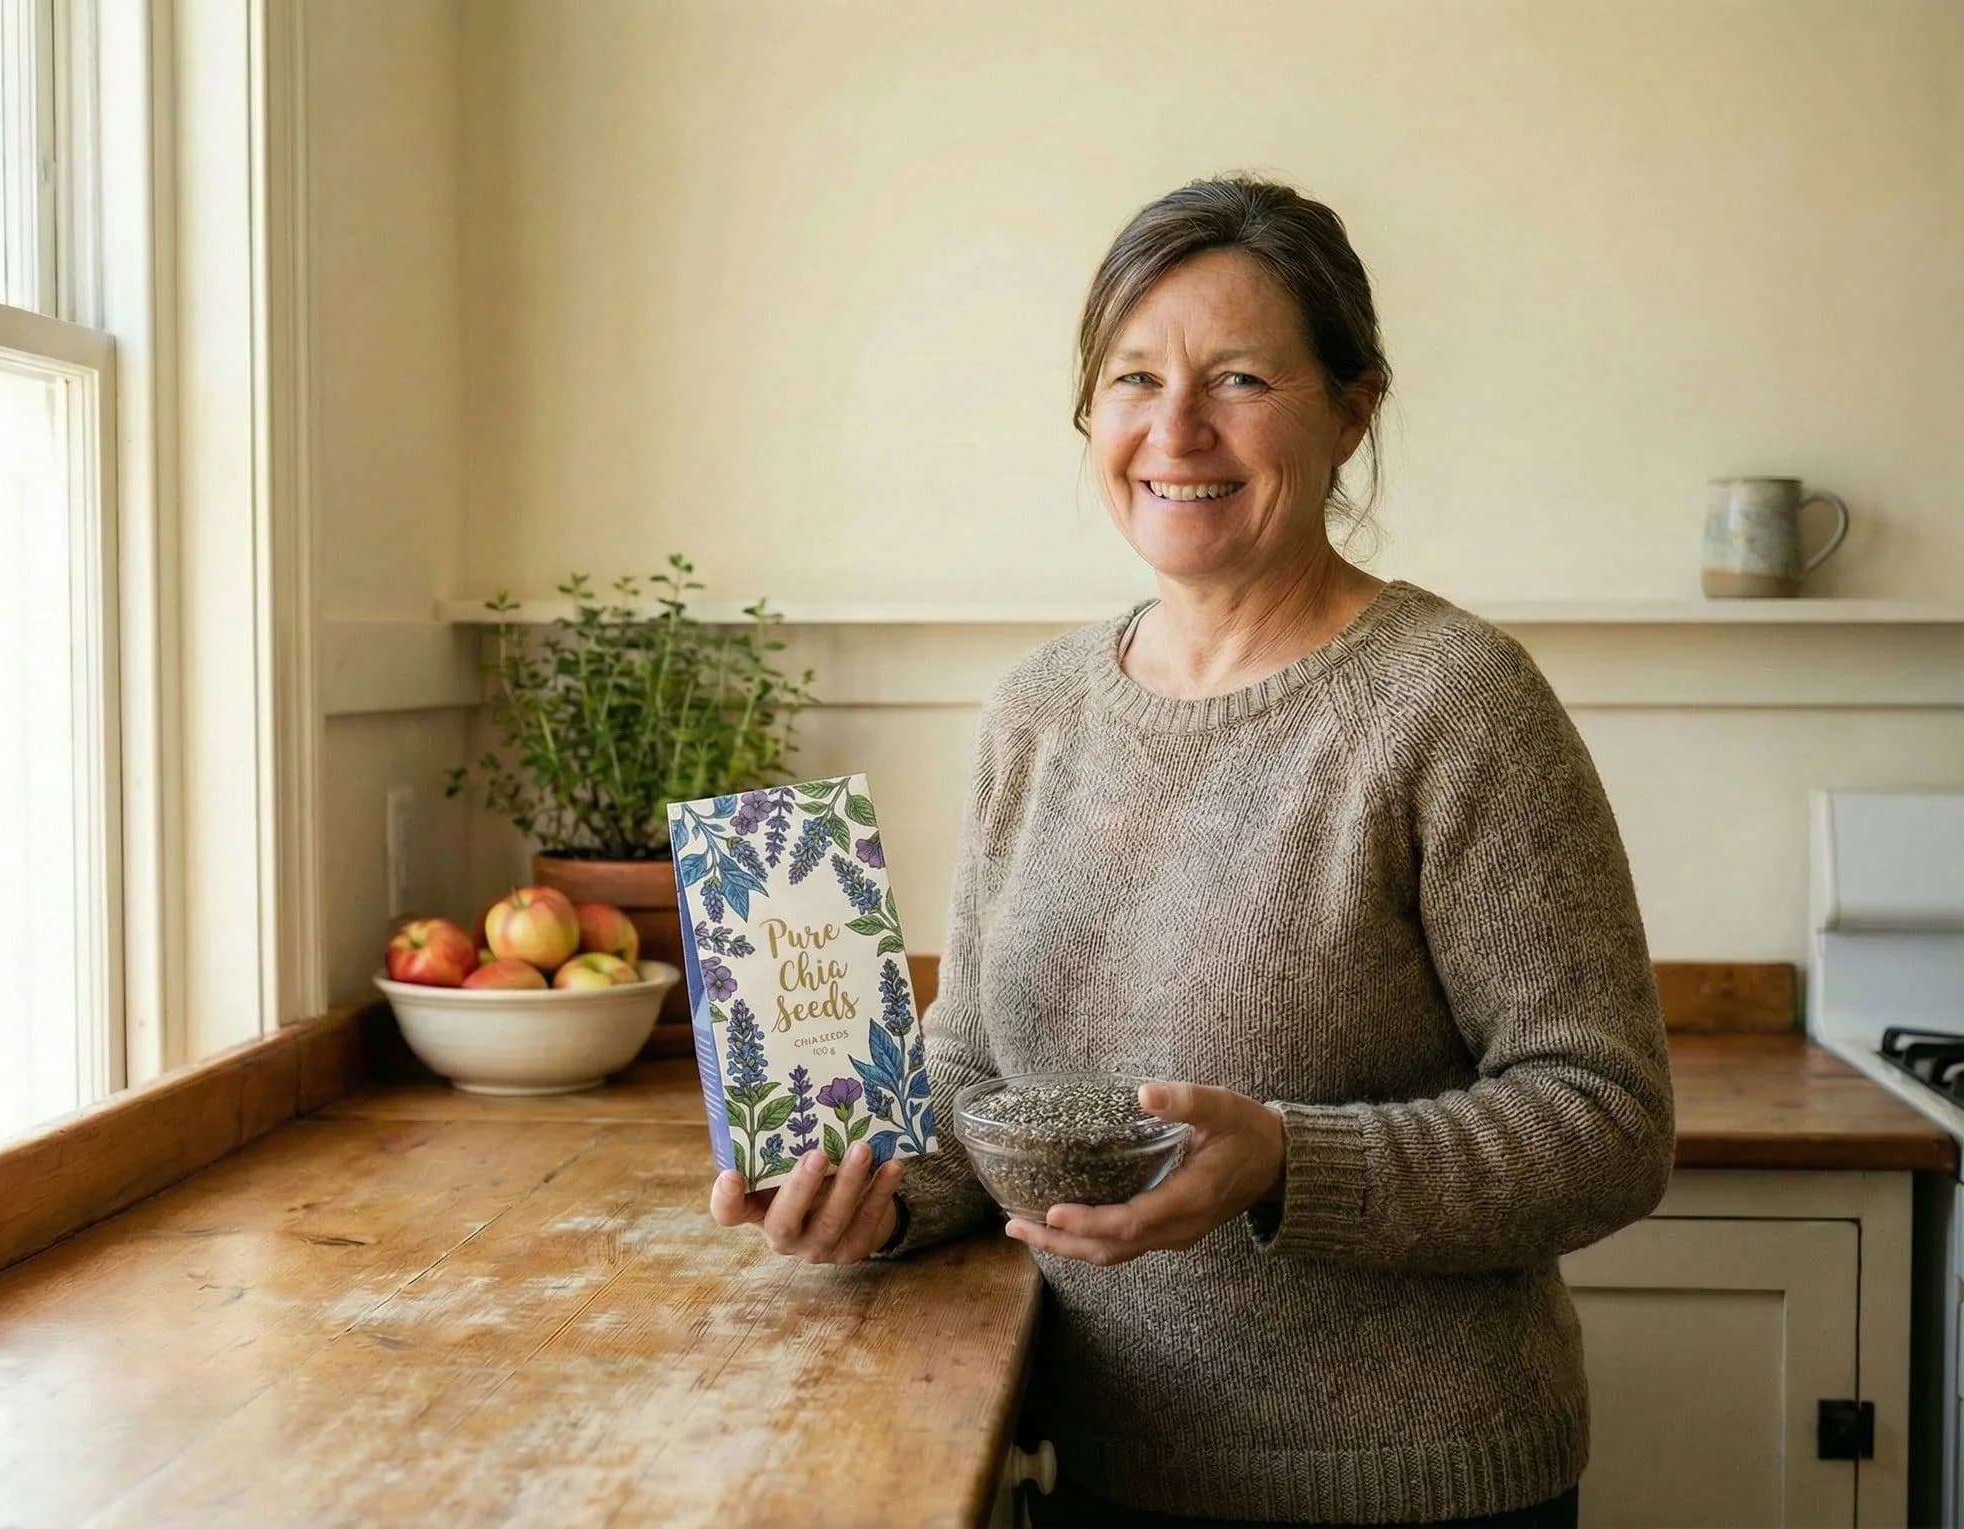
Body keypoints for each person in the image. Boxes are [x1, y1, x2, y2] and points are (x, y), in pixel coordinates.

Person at [709, 176, 1674, 1528]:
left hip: (1410, 1492)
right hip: (1094, 1458)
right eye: (1132, 379)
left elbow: (1607, 1123)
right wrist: (873, 1200)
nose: (1177, 429)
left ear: (1352, 411)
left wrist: (1288, 1159)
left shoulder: (1457, 701)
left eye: (1237, 378)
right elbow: (973, 1056)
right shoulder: (1037, 709)